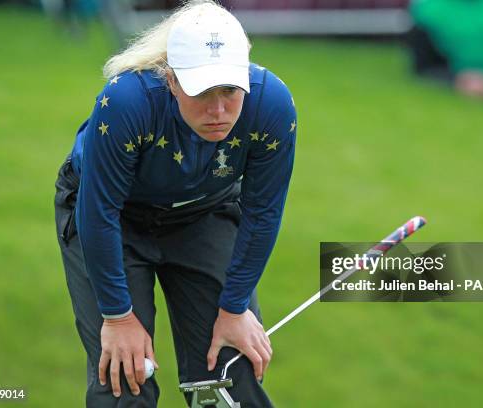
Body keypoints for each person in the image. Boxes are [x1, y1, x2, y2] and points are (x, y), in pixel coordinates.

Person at [54, 1, 297, 406]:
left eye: (231, 91)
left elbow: (263, 211)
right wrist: (117, 316)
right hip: (115, 218)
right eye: (202, 91)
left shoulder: (272, 104)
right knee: (124, 378)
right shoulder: (127, 101)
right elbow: (99, 212)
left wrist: (234, 308)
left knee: (230, 375)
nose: (219, 110)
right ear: (171, 80)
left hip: (205, 212)